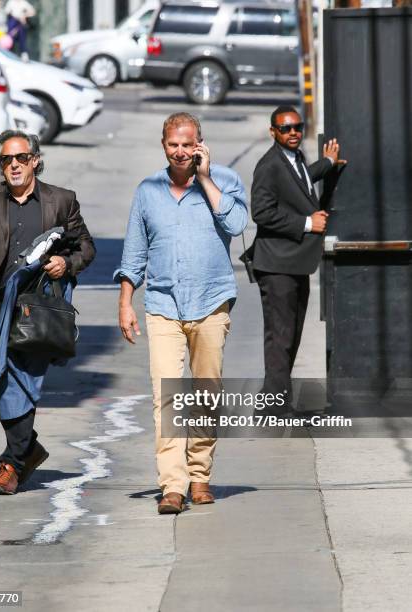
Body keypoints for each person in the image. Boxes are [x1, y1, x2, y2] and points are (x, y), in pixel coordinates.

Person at [114, 112, 247, 514]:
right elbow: (134, 253)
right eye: (174, 144)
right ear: (164, 145)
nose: (181, 151)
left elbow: (239, 222)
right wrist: (125, 302)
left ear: (200, 144)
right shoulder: (148, 191)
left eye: (188, 144)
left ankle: (200, 474)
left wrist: (205, 179)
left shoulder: (223, 180)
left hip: (210, 302)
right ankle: (173, 485)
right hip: (162, 307)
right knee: (166, 398)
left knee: (206, 393)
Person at [0, 129, 95, 495]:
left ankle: (11, 465)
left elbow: (86, 247)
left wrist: (67, 261)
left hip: (39, 305)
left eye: (20, 158)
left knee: (25, 380)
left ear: (34, 159)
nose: (13, 165)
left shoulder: (61, 200)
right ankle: (27, 449)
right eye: (5, 160)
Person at [251, 105, 344, 411]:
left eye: (297, 127)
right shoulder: (269, 165)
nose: (293, 133)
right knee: (280, 338)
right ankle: (275, 407)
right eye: (285, 128)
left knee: (290, 335)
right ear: (273, 132)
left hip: (294, 263)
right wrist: (307, 223)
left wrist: (327, 164)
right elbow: (261, 212)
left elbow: (302, 181)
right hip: (276, 264)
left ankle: (271, 400)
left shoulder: (295, 158)